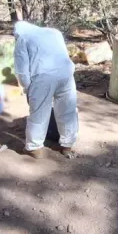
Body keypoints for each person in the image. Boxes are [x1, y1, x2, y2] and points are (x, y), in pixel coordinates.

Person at [13, 21, 78, 158]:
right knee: (67, 110)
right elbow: (64, 54)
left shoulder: (23, 39)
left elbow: (22, 70)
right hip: (66, 73)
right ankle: (67, 145)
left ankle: (34, 148)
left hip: (42, 77)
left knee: (39, 113)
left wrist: (27, 88)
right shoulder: (54, 32)